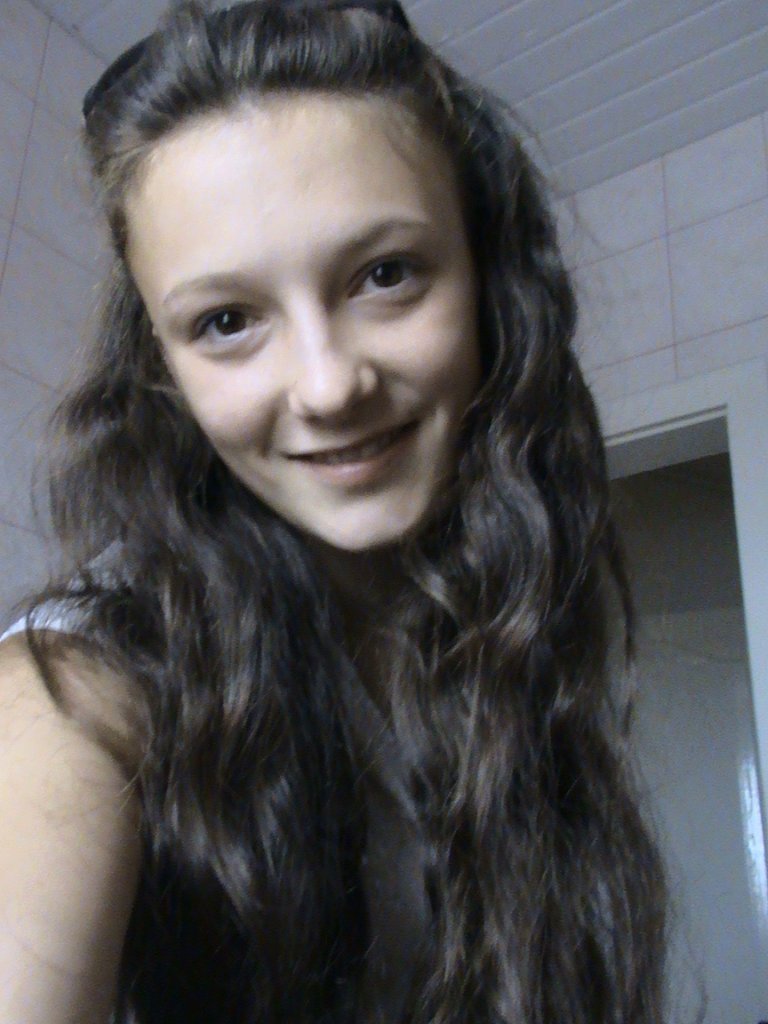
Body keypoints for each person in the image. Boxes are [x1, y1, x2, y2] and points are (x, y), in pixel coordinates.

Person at [0, 1, 667, 1021]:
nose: (325, 386)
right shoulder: (81, 696)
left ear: (488, 283)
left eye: (385, 275)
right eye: (226, 321)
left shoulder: (511, 633)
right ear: (164, 372)